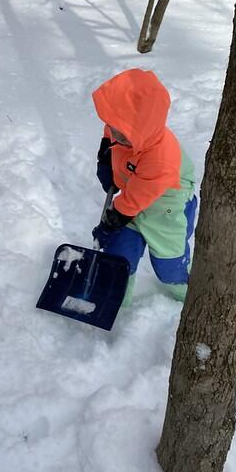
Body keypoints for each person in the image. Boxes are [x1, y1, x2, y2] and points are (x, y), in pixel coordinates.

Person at [91, 68, 197, 304]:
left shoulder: (161, 158)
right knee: (119, 256)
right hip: (135, 189)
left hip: (168, 203)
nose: (115, 136)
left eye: (123, 135)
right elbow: (112, 130)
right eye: (114, 128)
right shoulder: (123, 127)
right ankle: (116, 303)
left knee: (168, 264)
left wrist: (112, 221)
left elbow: (134, 200)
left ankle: (188, 297)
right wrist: (105, 157)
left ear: (143, 129)